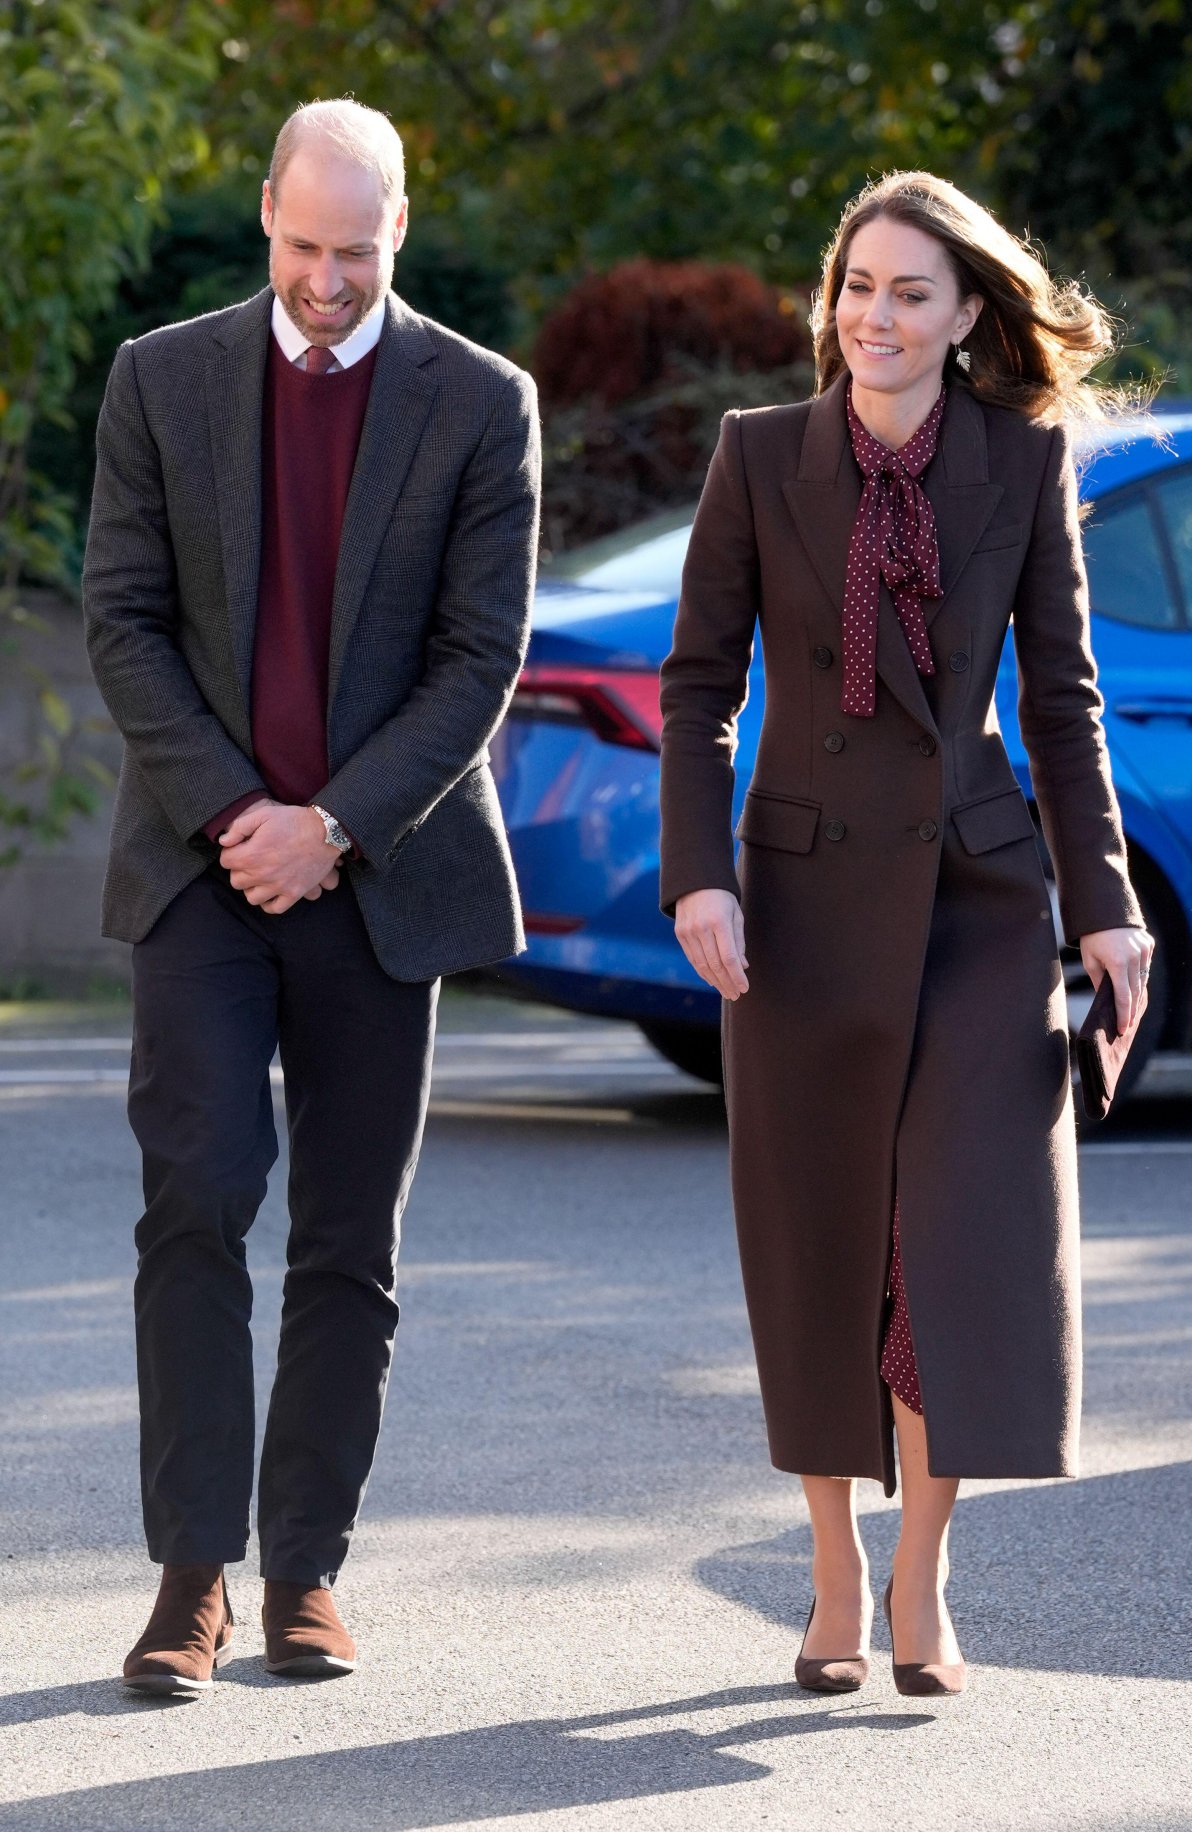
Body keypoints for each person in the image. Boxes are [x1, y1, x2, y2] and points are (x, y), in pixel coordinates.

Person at [658, 171, 1153, 1698]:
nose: (875, 316)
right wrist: (700, 876)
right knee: (821, 1251)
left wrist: (1109, 909)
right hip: (796, 909)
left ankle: (925, 1572)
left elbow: (1062, 706)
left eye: (910, 293)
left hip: (978, 905)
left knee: (946, 1246)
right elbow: (697, 687)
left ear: (964, 317)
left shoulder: (1022, 461)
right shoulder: (758, 458)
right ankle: (829, 1570)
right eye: (856, 286)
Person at [83, 99, 540, 1695]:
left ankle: (306, 1578)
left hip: (383, 872)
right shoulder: (162, 378)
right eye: (302, 246)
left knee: (351, 1238)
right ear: (265, 211)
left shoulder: (484, 403)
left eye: (357, 251)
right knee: (194, 1200)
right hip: (203, 869)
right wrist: (240, 816)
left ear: (399, 227)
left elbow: (480, 658)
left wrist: (332, 826)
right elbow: (123, 620)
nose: (328, 280)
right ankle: (189, 1580)